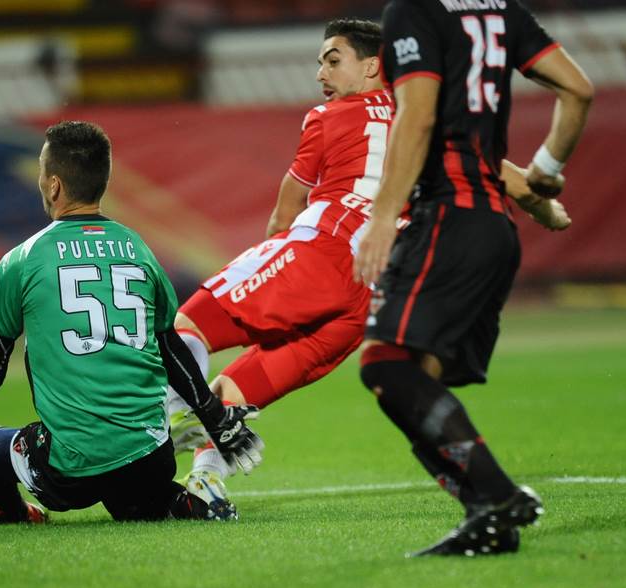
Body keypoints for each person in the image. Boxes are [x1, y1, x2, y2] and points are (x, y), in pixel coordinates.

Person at [166, 18, 571, 510]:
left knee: (189, 324)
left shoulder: (328, 116)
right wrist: (548, 210)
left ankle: (161, 421)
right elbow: (520, 183)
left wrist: (274, 263)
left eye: (333, 60)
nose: (321, 73)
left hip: (320, 253)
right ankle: (206, 480)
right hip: (371, 293)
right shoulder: (427, 120)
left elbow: (283, 213)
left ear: (373, 65)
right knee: (238, 389)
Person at [0, 121, 263, 523]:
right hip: (150, 459)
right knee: (135, 496)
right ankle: (181, 503)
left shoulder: (23, 259)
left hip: (68, 470)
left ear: (54, 186)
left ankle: (15, 512)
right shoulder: (139, 249)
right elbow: (171, 348)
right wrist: (216, 420)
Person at [353, 0, 593, 556]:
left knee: (387, 365)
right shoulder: (502, 10)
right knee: (409, 376)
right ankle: (488, 518)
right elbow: (579, 90)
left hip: (447, 220)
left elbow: (420, 117)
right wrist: (545, 176)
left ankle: (498, 497)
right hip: (490, 226)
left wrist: (384, 213)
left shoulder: (413, 11)